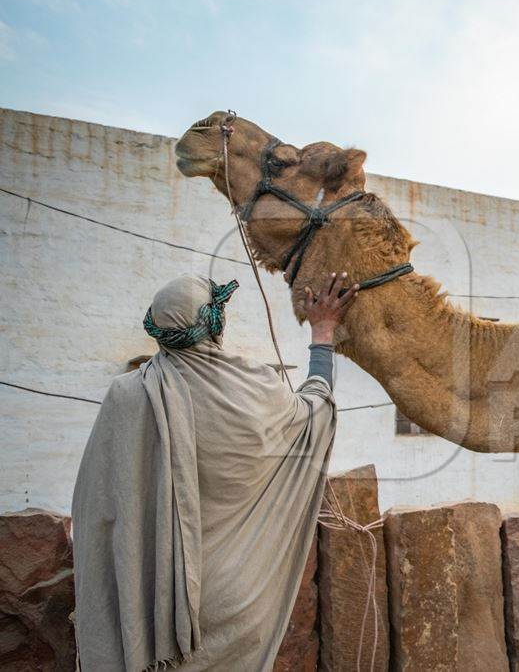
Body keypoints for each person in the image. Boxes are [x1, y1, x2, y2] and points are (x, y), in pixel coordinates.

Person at [72, 272, 357, 671]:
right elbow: (316, 411)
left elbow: (96, 510)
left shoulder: (125, 395)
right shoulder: (257, 387)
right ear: (215, 323)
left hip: (149, 598)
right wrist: (322, 330)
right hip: (235, 602)